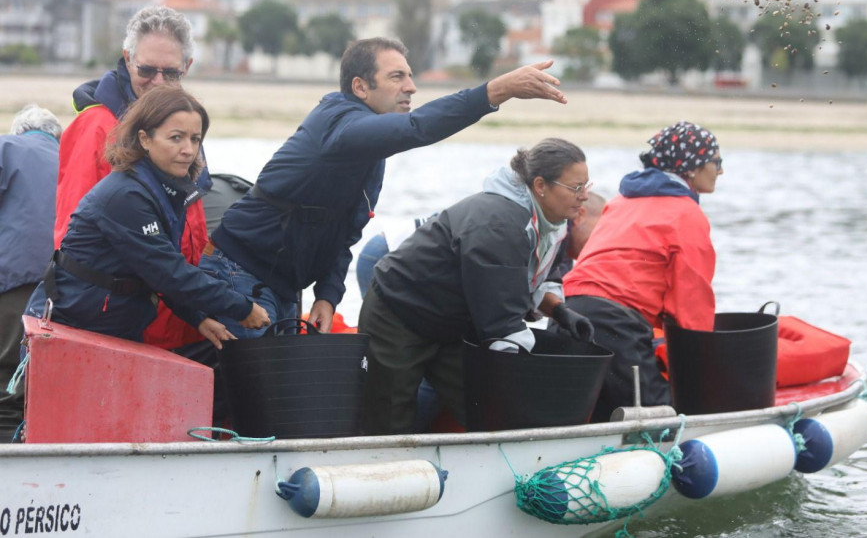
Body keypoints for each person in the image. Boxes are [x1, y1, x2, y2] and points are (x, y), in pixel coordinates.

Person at [200, 37, 568, 339]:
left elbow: (344, 233)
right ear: (360, 86)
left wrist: (328, 295)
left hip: (284, 286)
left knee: (273, 401)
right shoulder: (338, 124)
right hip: (238, 272)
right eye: (396, 77)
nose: (411, 86)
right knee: (250, 398)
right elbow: (416, 129)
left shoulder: (372, 151)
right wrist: (497, 90)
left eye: (409, 76)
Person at [360, 138, 595, 435]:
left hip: (451, 320)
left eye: (587, 185)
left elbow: (539, 279)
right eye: (576, 188)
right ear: (540, 185)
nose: (584, 196)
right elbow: (501, 323)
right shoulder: (500, 222)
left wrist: (560, 311)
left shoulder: (555, 222)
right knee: (390, 416)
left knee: (484, 404)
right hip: (399, 313)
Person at [24, 86, 269, 352]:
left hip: (111, 327)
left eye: (195, 139)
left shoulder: (163, 189)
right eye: (176, 138)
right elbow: (168, 272)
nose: (188, 149)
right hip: (69, 329)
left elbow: (155, 270)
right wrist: (240, 307)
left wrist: (198, 319)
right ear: (145, 139)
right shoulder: (125, 195)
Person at [55, 5, 211, 350]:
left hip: (179, 311)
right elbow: (70, 241)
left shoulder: (181, 129)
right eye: (146, 69)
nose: (157, 82)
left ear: (186, 68)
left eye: (169, 73)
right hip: (125, 320)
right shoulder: (96, 127)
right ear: (127, 60)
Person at [560, 121, 724, 422]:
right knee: (662, 416)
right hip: (615, 325)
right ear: (691, 167)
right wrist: (705, 376)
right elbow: (690, 307)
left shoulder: (621, 202)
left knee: (585, 416)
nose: (721, 171)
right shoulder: (687, 214)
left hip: (565, 313)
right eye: (717, 161)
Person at [0, 105, 62, 440]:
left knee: (5, 390)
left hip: (10, 290)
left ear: (18, 131)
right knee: (36, 393)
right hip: (62, 297)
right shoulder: (72, 159)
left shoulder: (6, 146)